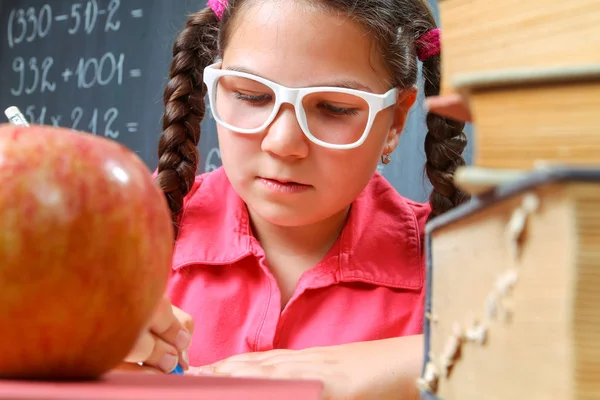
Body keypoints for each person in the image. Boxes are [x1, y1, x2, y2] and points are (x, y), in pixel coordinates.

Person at [120, 0, 470, 398]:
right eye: (251, 96)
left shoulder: (468, 265)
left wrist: (422, 359)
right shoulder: (120, 227)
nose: (283, 143)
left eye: (334, 108)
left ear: (395, 121)